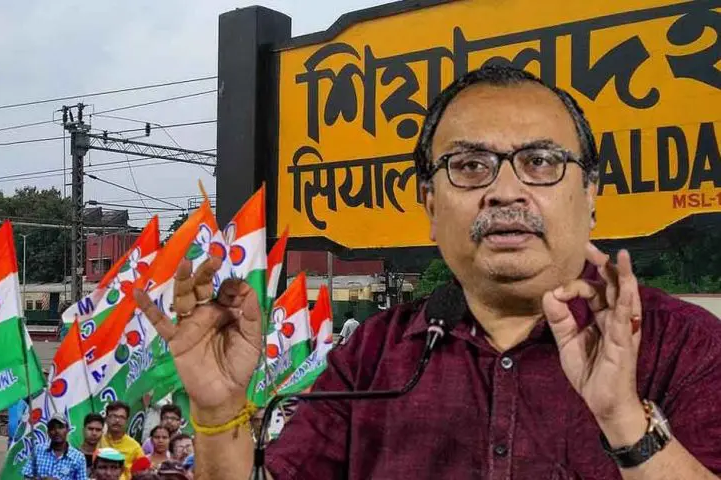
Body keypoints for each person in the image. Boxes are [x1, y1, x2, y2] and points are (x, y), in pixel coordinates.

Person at [136, 64, 721, 479]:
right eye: (470, 166)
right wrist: (216, 411)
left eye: (541, 162)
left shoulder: (686, 346)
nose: (504, 191)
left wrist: (625, 421)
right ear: (430, 203)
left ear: (590, 191)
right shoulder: (374, 355)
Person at [22, 413, 87, 480]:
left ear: (67, 430)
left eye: (60, 427)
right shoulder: (38, 449)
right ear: (48, 432)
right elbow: (27, 476)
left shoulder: (78, 457)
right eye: (52, 428)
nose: (57, 431)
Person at [98, 401, 144, 480]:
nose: (117, 420)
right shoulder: (98, 441)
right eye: (113, 416)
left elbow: (143, 474)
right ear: (106, 418)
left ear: (127, 420)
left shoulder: (135, 447)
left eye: (122, 417)